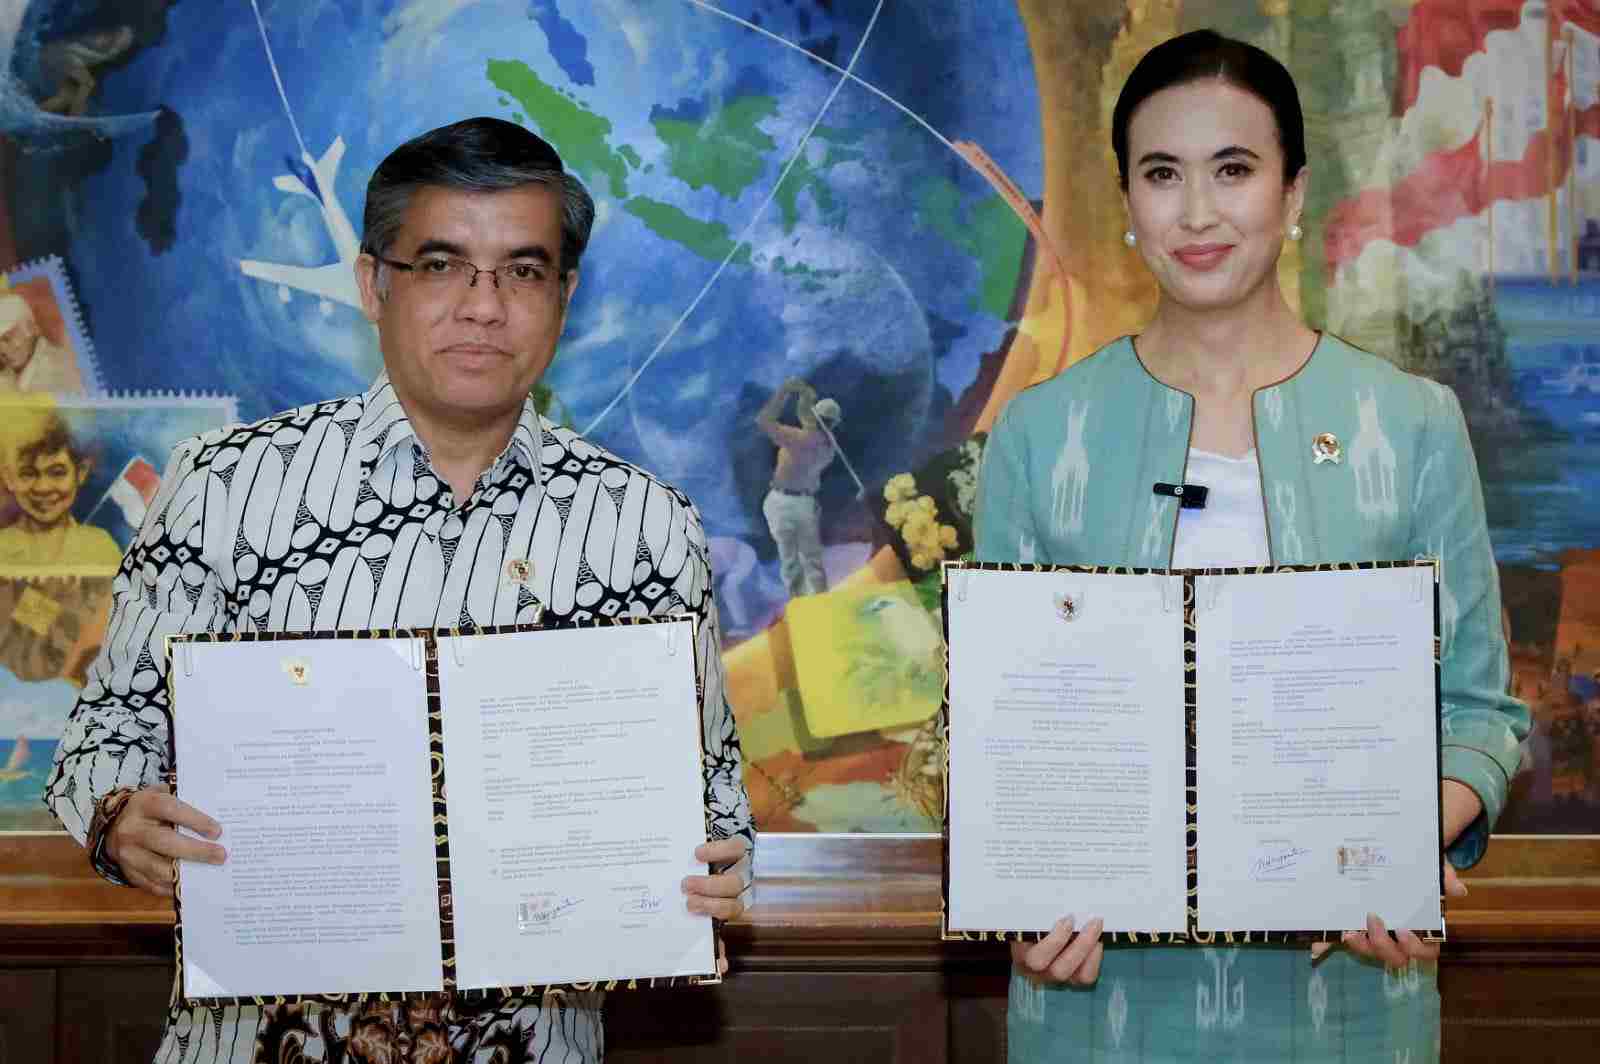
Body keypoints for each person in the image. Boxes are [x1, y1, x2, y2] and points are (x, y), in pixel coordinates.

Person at [42, 117, 754, 1064]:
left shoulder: (645, 526)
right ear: (374, 283)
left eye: (524, 271)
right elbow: (100, 742)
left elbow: (714, 799)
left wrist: (718, 871)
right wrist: (118, 820)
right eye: (442, 265)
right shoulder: (226, 488)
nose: (483, 307)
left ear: (565, 296)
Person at [975, 30, 1528, 1063]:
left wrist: (1400, 846)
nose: (1196, 212)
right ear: (1126, 200)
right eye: (1161, 174)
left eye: (1232, 170)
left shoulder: (1411, 423)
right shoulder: (1040, 434)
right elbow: (998, 724)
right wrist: (1014, 887)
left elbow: (1479, 711)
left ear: (1292, 191)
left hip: (1347, 994)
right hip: (1101, 999)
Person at [0, 410, 122, 568]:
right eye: (28, 474)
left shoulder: (101, 547)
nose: (42, 488)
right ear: (9, 478)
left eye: (57, 473)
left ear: (81, 472)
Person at [757, 377, 842, 596]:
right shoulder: (829, 446)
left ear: (816, 417)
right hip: (805, 503)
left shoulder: (797, 438)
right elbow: (806, 418)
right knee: (812, 560)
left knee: (790, 561)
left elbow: (764, 420)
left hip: (783, 502)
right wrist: (805, 399)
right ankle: (822, 602)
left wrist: (785, 391)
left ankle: (801, 604)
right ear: (833, 423)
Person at [0, 290, 84, 393]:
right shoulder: (12, 372)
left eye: (7, 338)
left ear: (30, 328)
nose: (2, 350)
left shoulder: (54, 371)